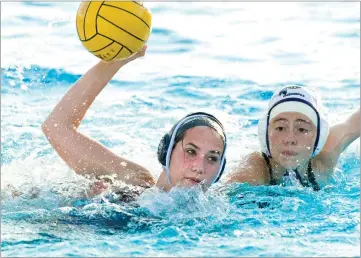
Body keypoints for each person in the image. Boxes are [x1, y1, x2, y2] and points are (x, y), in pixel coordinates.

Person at [41, 45, 227, 199]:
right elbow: (57, 126)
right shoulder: (132, 182)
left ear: (220, 170)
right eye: (190, 151)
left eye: (212, 158)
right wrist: (114, 62)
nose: (199, 167)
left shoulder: (220, 211)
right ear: (166, 153)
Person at [224, 85, 360, 190]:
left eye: (302, 129)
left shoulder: (325, 156)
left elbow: (354, 123)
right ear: (266, 133)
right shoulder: (251, 172)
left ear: (318, 138)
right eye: (280, 128)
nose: (290, 139)